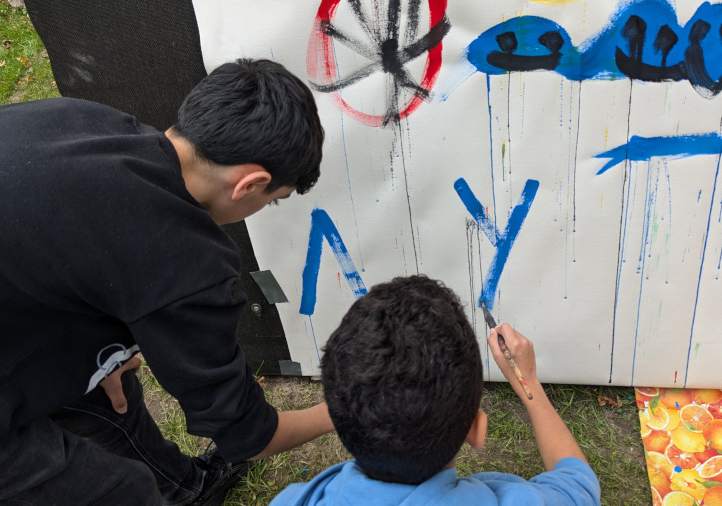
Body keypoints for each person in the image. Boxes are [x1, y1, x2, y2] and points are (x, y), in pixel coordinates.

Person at [0, 58, 334, 506]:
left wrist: (96, 356)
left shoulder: (83, 119)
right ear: (248, 185)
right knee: (122, 494)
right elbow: (251, 436)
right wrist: (341, 411)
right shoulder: (185, 259)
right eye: (274, 199)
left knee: (107, 382)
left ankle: (185, 490)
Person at [271, 275, 601, 506]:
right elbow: (578, 483)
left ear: (337, 418)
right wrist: (528, 381)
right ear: (476, 431)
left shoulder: (294, 500)